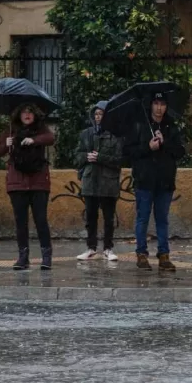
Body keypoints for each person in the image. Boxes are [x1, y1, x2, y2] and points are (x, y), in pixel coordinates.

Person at [124, 92, 186, 271]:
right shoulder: (139, 125)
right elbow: (129, 152)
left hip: (165, 180)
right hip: (144, 180)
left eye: (163, 104)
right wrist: (148, 147)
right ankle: (141, 254)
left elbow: (180, 151)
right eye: (156, 103)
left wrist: (165, 143)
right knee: (142, 218)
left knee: (162, 219)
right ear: (151, 105)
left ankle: (164, 255)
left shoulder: (171, 126)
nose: (159, 108)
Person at [0, 103, 56, 270]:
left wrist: (34, 140)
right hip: (17, 183)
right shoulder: (11, 130)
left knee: (40, 220)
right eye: (23, 112)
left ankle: (46, 256)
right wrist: (6, 144)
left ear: (35, 115)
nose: (27, 115)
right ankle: (23, 257)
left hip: (39, 182)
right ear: (18, 115)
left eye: (30, 112)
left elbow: (51, 138)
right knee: (21, 222)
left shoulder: (41, 129)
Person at [76, 100, 123, 262]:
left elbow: (118, 160)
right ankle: (91, 248)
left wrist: (100, 157)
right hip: (90, 182)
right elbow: (77, 156)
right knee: (90, 217)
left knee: (109, 218)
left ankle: (108, 248)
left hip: (108, 184)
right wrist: (86, 157)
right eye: (96, 114)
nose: (98, 117)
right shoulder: (86, 134)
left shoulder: (115, 136)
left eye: (101, 114)